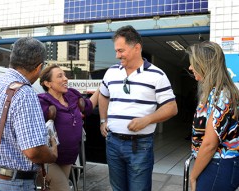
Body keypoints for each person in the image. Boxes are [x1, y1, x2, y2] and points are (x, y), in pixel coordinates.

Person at [98, 25, 178, 191]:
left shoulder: (157, 75)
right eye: (116, 51)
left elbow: (171, 107)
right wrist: (103, 120)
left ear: (137, 48)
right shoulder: (111, 72)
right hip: (112, 142)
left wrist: (147, 119)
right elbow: (103, 95)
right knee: (117, 188)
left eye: (121, 51)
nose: (117, 55)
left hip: (140, 145)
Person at [0, 37, 58, 191]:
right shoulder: (25, 93)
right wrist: (52, 154)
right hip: (12, 183)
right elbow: (33, 151)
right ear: (38, 67)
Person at [186, 41, 239, 191]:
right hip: (218, 165)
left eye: (193, 63)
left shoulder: (221, 95)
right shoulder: (218, 92)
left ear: (205, 65)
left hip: (218, 166)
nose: (190, 68)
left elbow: (210, 144)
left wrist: (193, 175)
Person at [38, 64, 99, 191]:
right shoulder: (42, 101)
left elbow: (88, 107)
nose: (65, 79)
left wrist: (101, 88)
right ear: (48, 83)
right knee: (63, 188)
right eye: (60, 76)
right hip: (50, 159)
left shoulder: (71, 94)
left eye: (65, 75)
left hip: (68, 157)